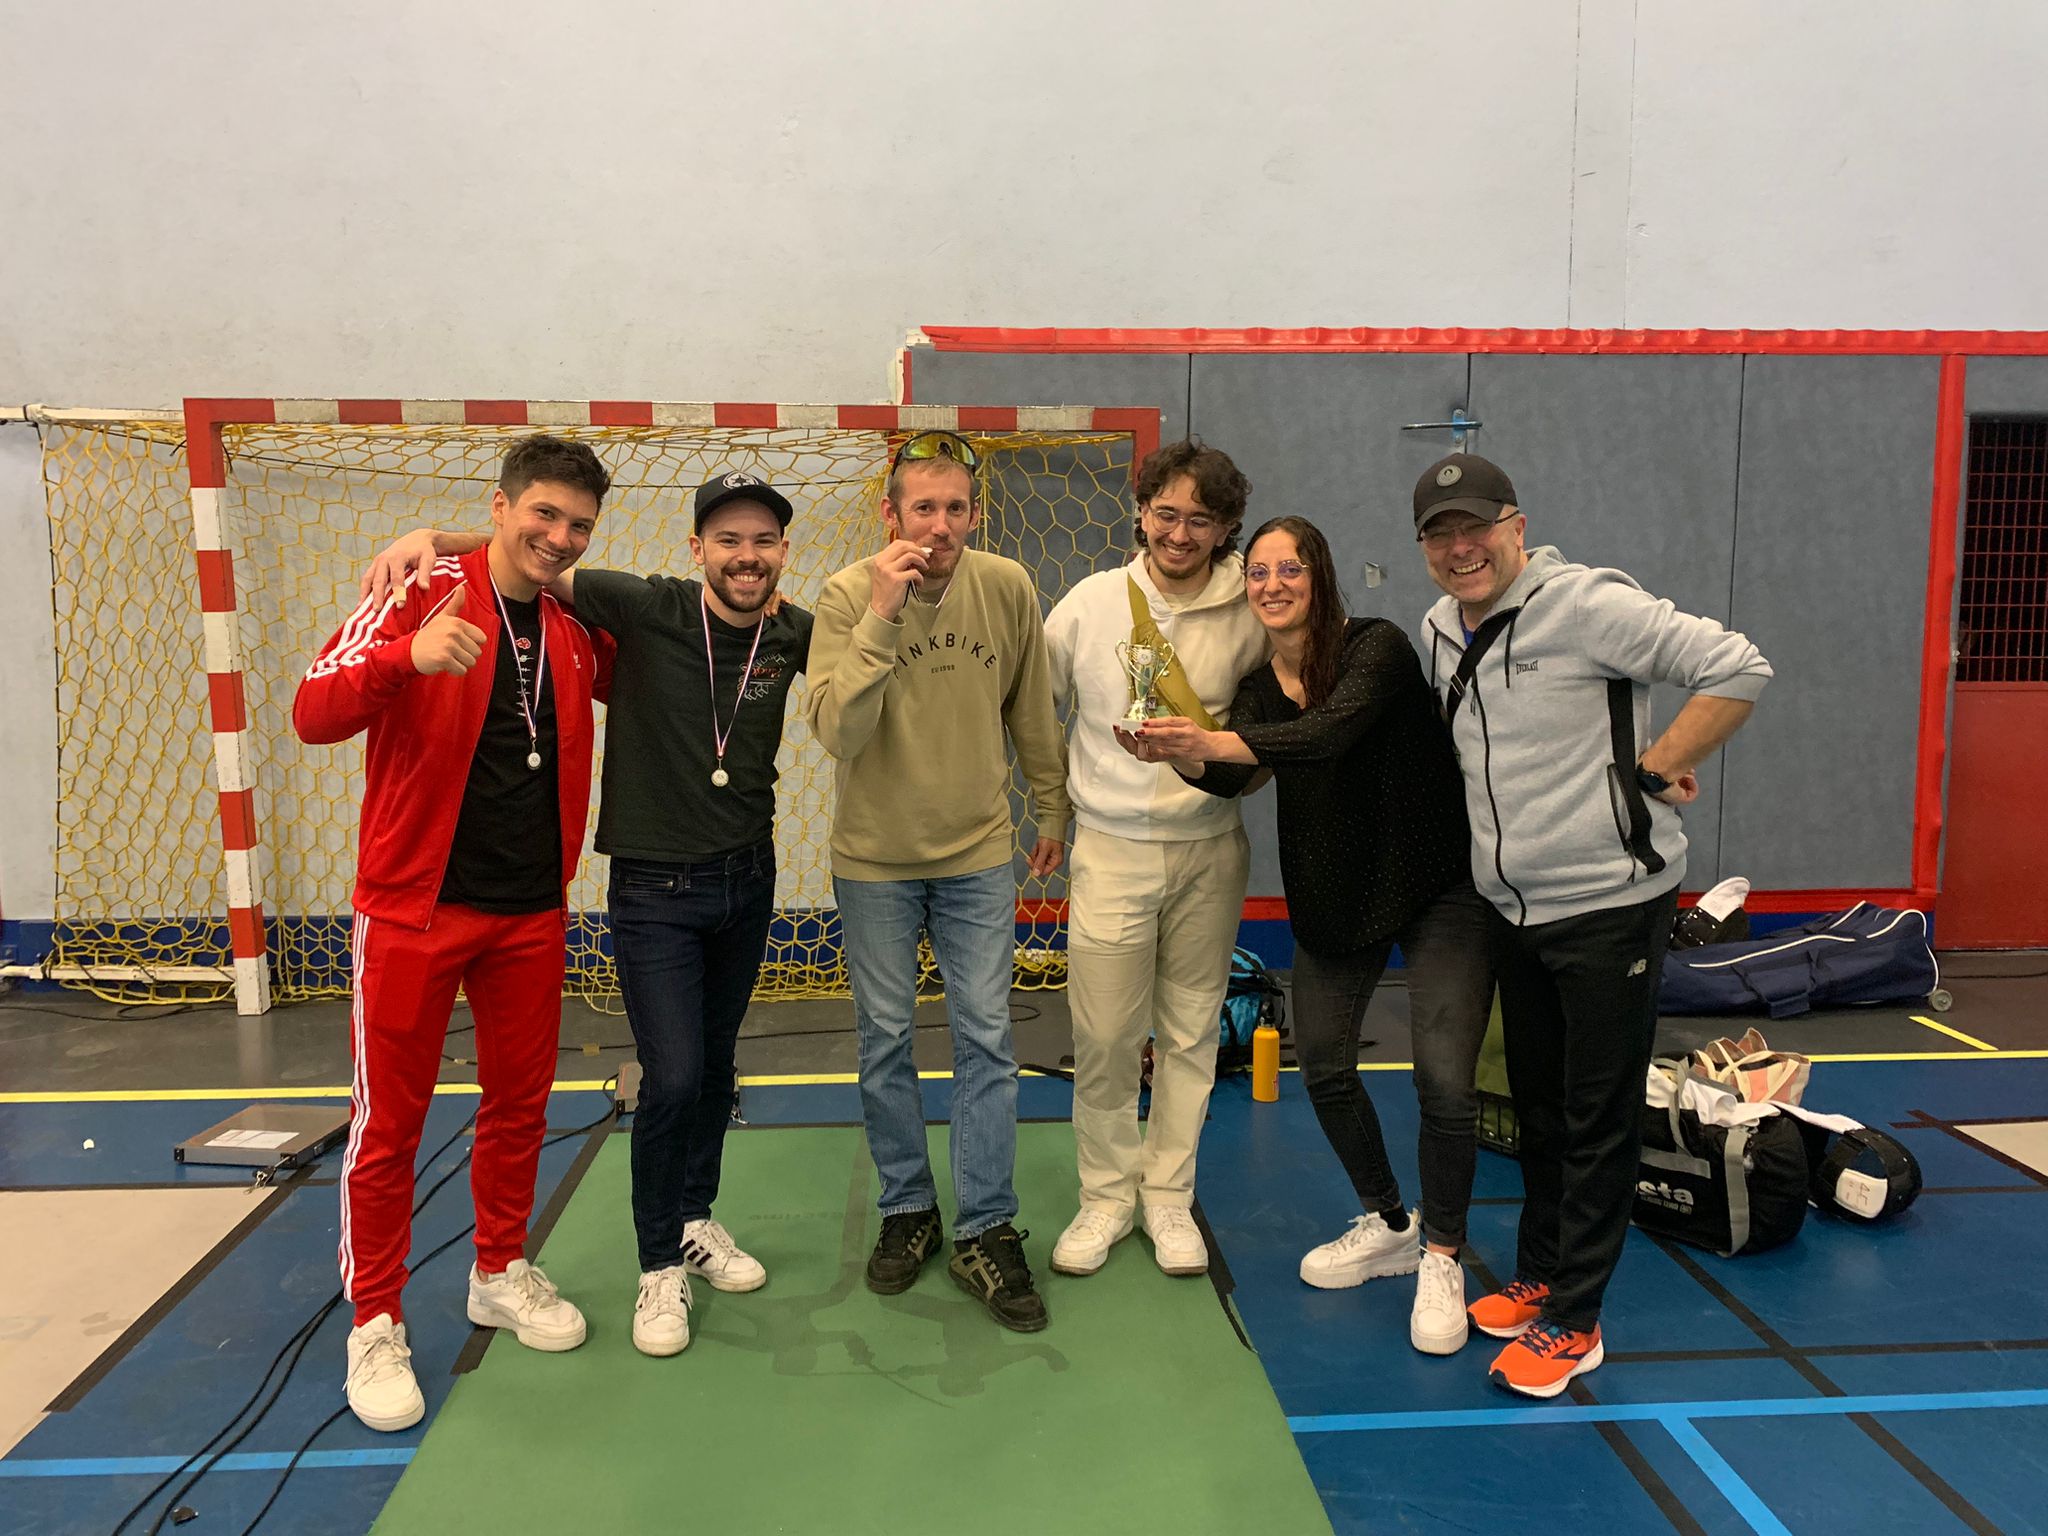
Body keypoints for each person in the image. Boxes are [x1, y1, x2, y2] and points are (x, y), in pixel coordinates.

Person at [364, 469, 812, 1360]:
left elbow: (871, 628)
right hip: (652, 889)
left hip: (746, 879)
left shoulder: (793, 630)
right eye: (728, 539)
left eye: (763, 540)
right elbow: (531, 555)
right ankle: (657, 1265)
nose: (746, 555)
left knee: (714, 1070)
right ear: (698, 549)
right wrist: (438, 539)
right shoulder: (644, 606)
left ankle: (693, 1218)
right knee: (671, 1078)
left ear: (782, 553)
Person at [1410, 451, 1771, 1397]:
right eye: (1441, 534)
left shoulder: (1586, 604)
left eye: (1477, 527)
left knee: (1597, 1117)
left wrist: (1654, 767)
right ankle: (1540, 1275)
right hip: (1512, 909)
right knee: (1536, 1107)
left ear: (1516, 527)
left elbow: (1737, 666)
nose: (1461, 548)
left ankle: (1576, 1321)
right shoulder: (1439, 629)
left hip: (1610, 904)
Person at [295, 434, 615, 1433]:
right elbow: (311, 712)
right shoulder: (418, 593)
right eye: (543, 514)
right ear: (500, 505)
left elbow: (673, 641)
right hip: (412, 909)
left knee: (519, 1104)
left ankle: (498, 1269)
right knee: (388, 1125)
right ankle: (375, 1319)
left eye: (578, 525)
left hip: (530, 912)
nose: (559, 536)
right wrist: (407, 655)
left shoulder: (573, 628)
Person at [1126, 515, 1495, 1356]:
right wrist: (1174, 751)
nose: (1272, 585)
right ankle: (1391, 1223)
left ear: (1319, 575)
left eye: (1289, 568)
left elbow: (1324, 736)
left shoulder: (1377, 647)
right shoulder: (1259, 686)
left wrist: (1211, 738)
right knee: (1324, 1067)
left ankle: (1443, 1256)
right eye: (1258, 572)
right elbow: (1231, 779)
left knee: (1444, 1081)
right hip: (1337, 895)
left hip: (1437, 887)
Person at [803, 430, 1068, 1332]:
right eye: (924, 508)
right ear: (892, 515)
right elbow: (838, 731)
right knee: (884, 1040)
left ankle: (985, 1227)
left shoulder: (1007, 587)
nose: (940, 526)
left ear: (975, 514)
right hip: (874, 860)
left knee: (986, 1037)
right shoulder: (846, 595)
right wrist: (883, 614)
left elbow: (1031, 707)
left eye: (956, 508)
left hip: (978, 854)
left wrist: (1052, 806)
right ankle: (908, 1208)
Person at [1040, 439, 1268, 1279]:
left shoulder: (1252, 607)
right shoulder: (1090, 605)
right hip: (1110, 850)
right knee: (1103, 1035)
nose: (1179, 533)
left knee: (1191, 1031)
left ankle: (1169, 1196)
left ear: (1227, 527)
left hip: (1211, 850)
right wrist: (1051, 811)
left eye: (1200, 520)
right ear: (1139, 512)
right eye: (1165, 513)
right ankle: (1105, 1196)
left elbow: (1277, 720)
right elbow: (1033, 708)